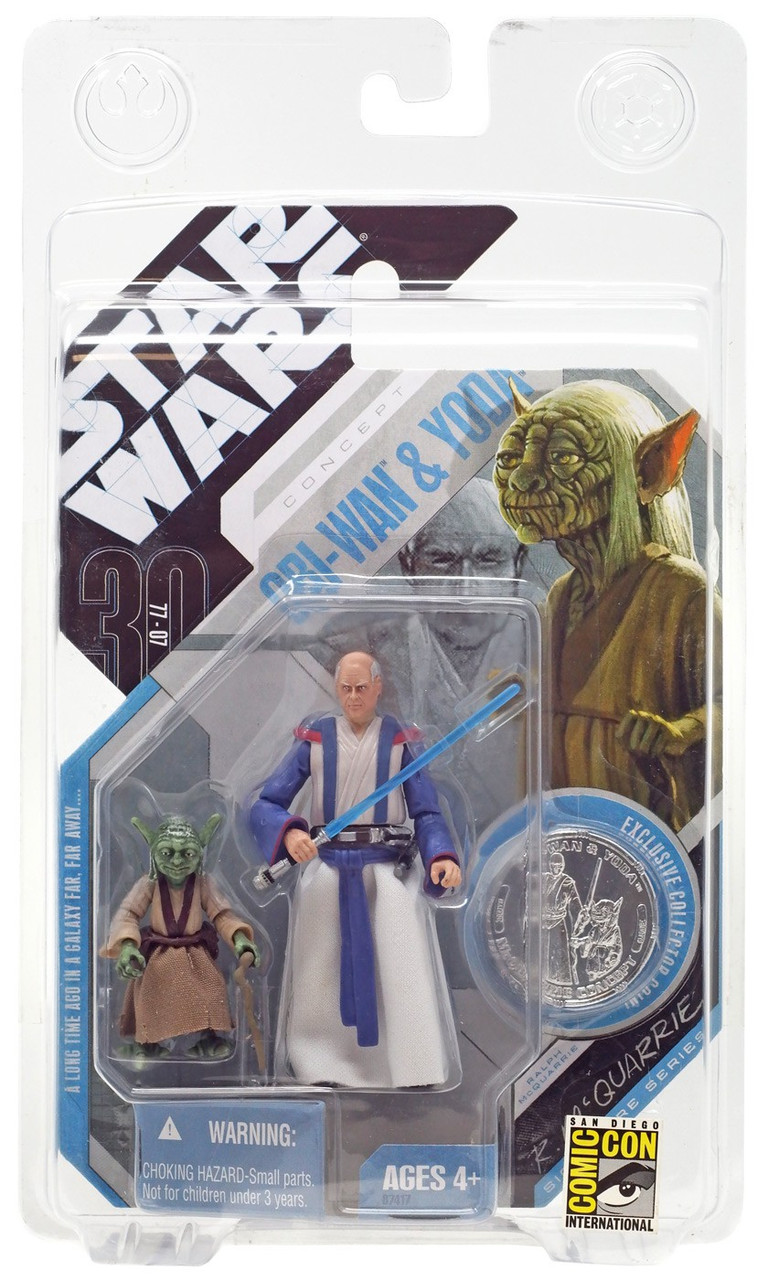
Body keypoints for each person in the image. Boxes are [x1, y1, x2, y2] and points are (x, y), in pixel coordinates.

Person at [250, 652, 461, 1088]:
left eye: (361, 687)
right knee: (319, 970)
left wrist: (441, 855)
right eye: (345, 688)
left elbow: (426, 812)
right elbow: (267, 804)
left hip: (387, 873)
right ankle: (320, 1063)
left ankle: (411, 1065)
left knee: (402, 966)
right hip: (328, 871)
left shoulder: (400, 742)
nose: (353, 697)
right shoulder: (315, 740)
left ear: (378, 686)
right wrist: (290, 834)